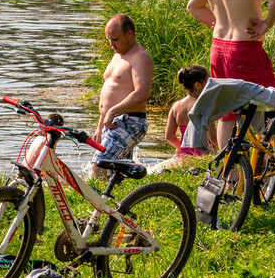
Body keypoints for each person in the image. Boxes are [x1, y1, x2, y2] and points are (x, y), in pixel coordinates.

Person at [187, 0, 275, 150]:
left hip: (218, 50)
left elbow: (192, 6)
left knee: (228, 114)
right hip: (244, 50)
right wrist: (267, 24)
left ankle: (228, 175)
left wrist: (215, 21)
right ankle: (260, 169)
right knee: (271, 106)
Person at [92, 14, 153, 179]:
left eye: (116, 39)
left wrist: (112, 112)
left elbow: (141, 93)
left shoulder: (140, 57)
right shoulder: (117, 55)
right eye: (109, 40)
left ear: (130, 34)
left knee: (99, 166)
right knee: (116, 173)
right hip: (112, 122)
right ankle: (122, 202)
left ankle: (97, 204)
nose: (112, 44)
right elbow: (110, 92)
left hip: (130, 121)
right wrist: (100, 126)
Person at [165, 65, 216, 157]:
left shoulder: (176, 106)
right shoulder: (206, 105)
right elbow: (214, 139)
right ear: (197, 85)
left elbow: (169, 137)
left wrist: (180, 148)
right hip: (206, 155)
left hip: (186, 156)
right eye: (208, 81)